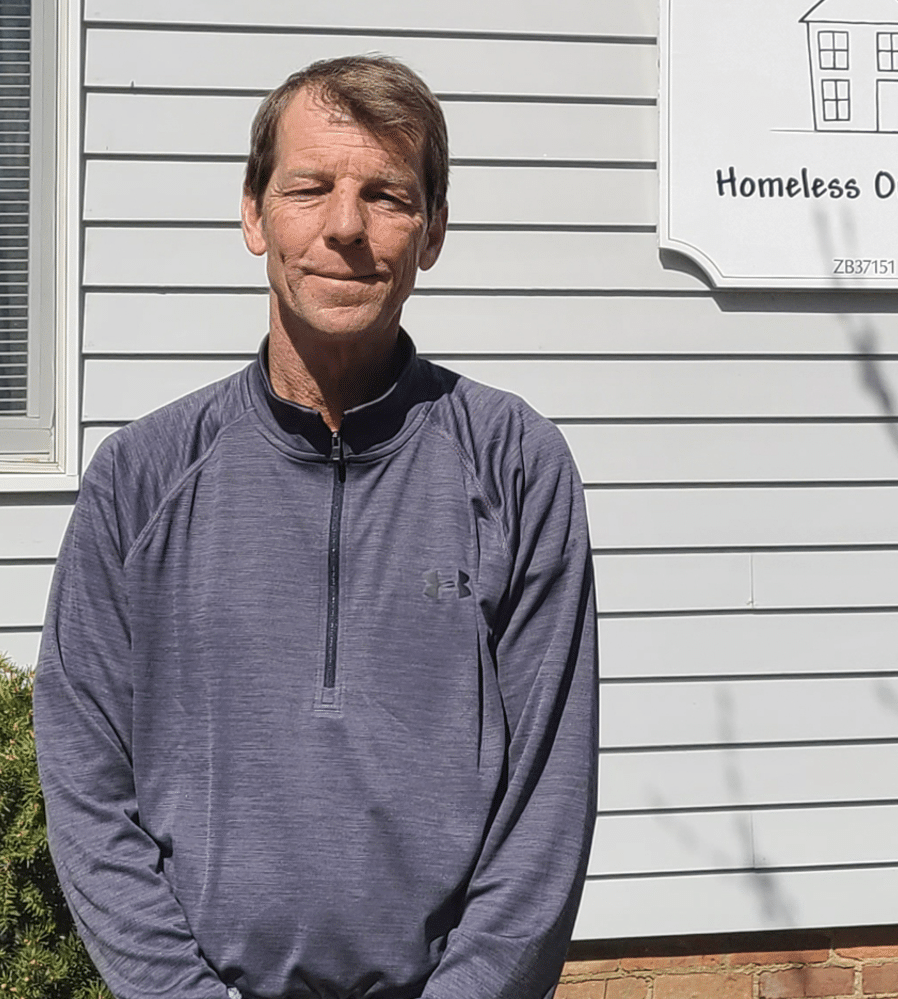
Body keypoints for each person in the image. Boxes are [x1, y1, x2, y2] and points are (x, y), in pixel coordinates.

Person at [34, 55, 598, 999]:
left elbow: (546, 807)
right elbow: (87, 785)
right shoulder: (140, 479)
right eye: (309, 189)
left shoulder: (515, 468)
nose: (345, 227)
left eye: (387, 196)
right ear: (254, 214)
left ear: (434, 231)